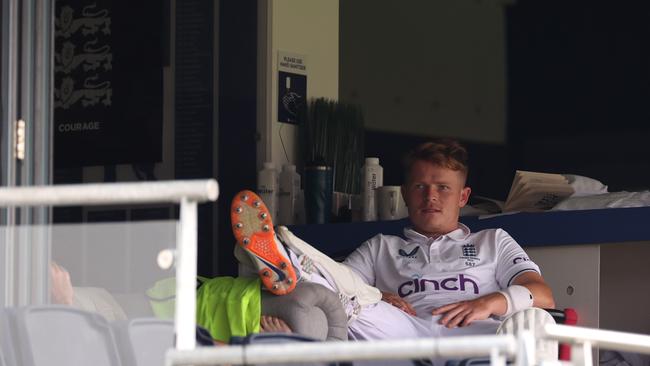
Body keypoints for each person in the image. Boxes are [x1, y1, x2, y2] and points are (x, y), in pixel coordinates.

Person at [232, 139, 555, 342]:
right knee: (347, 297)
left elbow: (542, 294)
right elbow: (340, 291)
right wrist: (378, 296)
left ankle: (286, 259)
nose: (430, 197)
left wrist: (488, 303)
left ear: (463, 196)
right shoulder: (381, 246)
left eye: (442, 187)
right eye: (420, 187)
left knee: (527, 327)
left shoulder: (493, 240)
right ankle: (283, 257)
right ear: (404, 194)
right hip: (403, 330)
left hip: (473, 332)